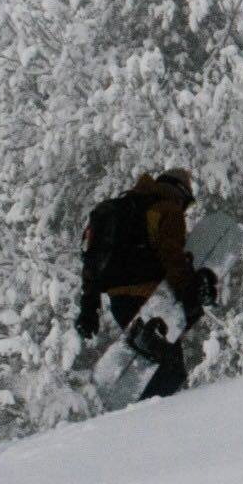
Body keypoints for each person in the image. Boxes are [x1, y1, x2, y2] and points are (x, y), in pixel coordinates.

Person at [77, 167, 217, 400]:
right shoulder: (167, 209)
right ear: (181, 193)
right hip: (149, 296)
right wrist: (189, 293)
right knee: (170, 372)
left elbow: (92, 260)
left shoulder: (121, 208)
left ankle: (141, 402)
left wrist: (88, 306)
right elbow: (172, 257)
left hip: (119, 300)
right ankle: (153, 414)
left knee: (154, 363)